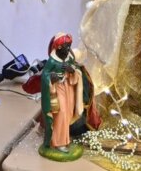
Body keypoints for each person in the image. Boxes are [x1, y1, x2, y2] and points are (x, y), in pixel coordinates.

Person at [39, 33, 98, 161]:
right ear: (59, 47)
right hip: (58, 90)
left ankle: (65, 140)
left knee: (67, 115)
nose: (69, 49)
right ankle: (58, 143)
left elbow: (77, 72)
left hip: (69, 90)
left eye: (69, 46)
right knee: (61, 114)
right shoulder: (52, 61)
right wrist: (51, 78)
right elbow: (45, 76)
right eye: (67, 46)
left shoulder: (69, 58)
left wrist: (72, 71)